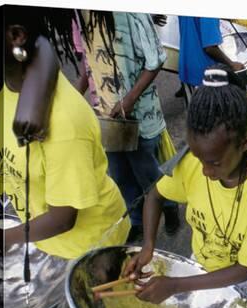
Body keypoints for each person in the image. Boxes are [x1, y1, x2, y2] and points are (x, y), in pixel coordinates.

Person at [125, 65, 247, 308]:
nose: (205, 171)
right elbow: (155, 196)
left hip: (239, 283)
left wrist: (176, 285)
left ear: (244, 144)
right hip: (197, 267)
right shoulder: (191, 164)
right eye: (200, 159)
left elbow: (243, 269)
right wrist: (148, 246)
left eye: (214, 163)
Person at [0, 5, 130, 262]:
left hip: (87, 248)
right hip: (43, 239)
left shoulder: (64, 124)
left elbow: (62, 219)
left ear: (16, 35)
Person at [72, 11, 180, 242]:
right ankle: (137, 220)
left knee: (148, 173)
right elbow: (87, 60)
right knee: (120, 175)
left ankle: (169, 206)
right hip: (106, 119)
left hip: (140, 116)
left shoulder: (131, 13)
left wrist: (129, 99)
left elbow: (156, 60)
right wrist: (71, 97)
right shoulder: (77, 16)